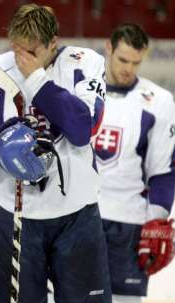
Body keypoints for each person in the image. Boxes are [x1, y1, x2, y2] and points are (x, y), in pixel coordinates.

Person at [0, 3, 111, 302]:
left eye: (31, 52)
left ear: (53, 43)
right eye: (17, 49)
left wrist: (37, 79)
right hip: (14, 215)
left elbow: (83, 130)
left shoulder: (85, 63)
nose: (21, 59)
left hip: (77, 215)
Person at [94, 24, 175, 303]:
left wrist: (158, 220)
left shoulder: (160, 102)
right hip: (78, 218)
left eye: (136, 62)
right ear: (108, 48)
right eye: (123, 60)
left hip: (128, 224)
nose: (129, 69)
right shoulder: (81, 92)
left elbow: (163, 171)